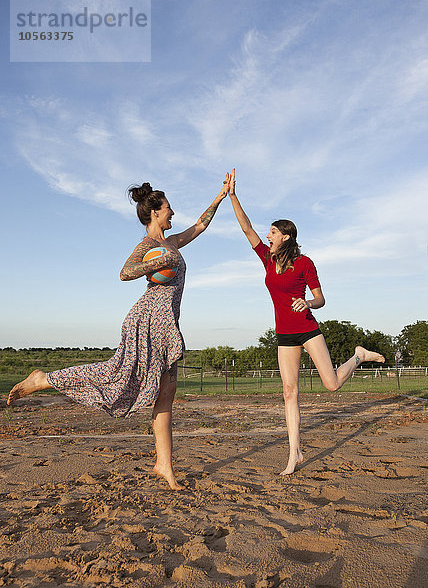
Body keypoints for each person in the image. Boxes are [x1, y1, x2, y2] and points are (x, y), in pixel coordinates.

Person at [7, 179, 230, 490]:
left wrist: (221, 196)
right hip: (147, 320)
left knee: (166, 394)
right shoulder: (148, 247)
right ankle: (44, 379)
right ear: (154, 212)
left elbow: (199, 227)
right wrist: (161, 260)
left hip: (166, 322)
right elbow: (125, 272)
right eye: (168, 208)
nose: (172, 212)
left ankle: (163, 465)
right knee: (116, 375)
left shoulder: (172, 242)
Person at [226, 169, 385, 475]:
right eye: (268, 232)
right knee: (289, 392)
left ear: (285, 236)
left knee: (332, 384)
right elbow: (246, 230)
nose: (267, 236)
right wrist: (233, 195)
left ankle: (358, 355)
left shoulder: (304, 263)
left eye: (272, 232)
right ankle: (294, 453)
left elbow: (321, 298)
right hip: (284, 335)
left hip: (308, 330)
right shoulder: (268, 259)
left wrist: (308, 302)